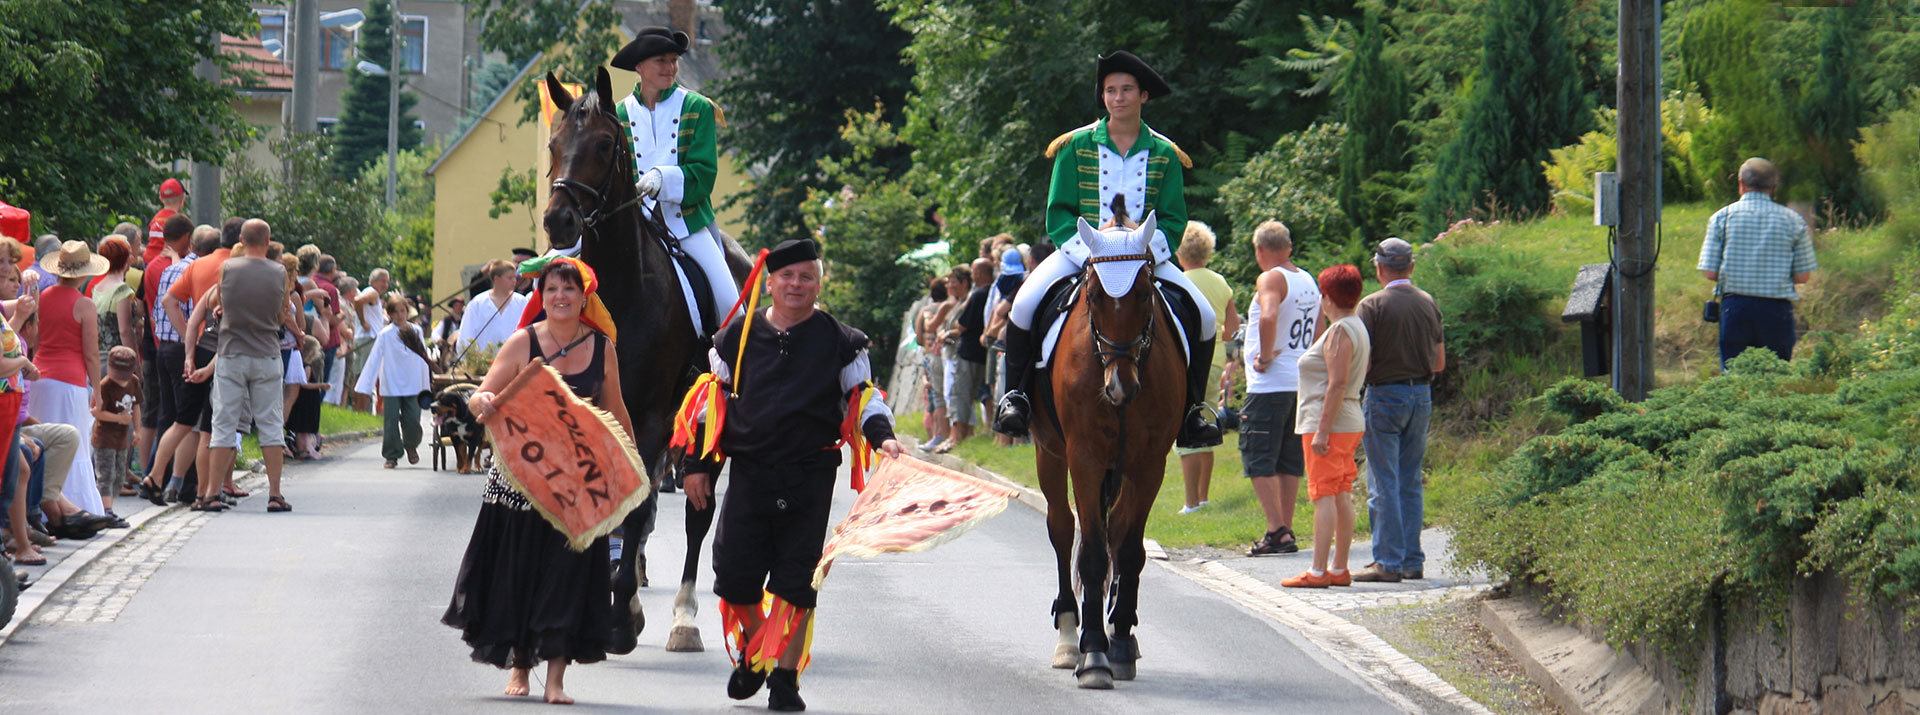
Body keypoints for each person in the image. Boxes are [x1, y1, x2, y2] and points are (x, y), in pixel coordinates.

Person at [680, 239, 903, 712]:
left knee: (796, 583)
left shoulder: (843, 341)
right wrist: (697, 467)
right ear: (769, 282)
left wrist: (882, 437)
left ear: (819, 283)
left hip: (810, 475)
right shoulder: (734, 338)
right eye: (786, 277)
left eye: (805, 277)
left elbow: (863, 398)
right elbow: (708, 409)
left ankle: (784, 679)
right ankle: (758, 651)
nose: (795, 285)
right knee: (734, 579)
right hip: (750, 474)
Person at [995, 50, 1219, 448]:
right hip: (1083, 253)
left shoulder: (1165, 153)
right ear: (1103, 96)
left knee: (1203, 314)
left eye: (1127, 90)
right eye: (1111, 90)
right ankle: (1016, 399)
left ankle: (1193, 412)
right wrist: (1092, 251)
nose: (1118, 97)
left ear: (1143, 96)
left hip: (1144, 259)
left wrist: (1145, 249)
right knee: (1023, 306)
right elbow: (1059, 214)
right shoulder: (1074, 145)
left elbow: (1172, 219)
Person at [445, 257, 634, 706]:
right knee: (519, 572)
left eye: (569, 289)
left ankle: (556, 679)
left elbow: (616, 411)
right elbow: (481, 396)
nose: (560, 297)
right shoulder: (522, 342)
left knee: (566, 577)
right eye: (552, 290)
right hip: (520, 483)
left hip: (575, 486)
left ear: (583, 297)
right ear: (540, 296)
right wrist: (485, 402)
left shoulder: (602, 347)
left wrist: (630, 466)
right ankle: (520, 667)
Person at [610, 26, 741, 327]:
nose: (670, 68)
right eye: (661, 61)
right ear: (640, 67)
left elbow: (704, 173)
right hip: (635, 225)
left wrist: (662, 178)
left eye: (674, 60)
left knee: (730, 306)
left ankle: (734, 367)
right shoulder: (618, 114)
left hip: (688, 223)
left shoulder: (697, 107)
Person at [1354, 237, 1445, 583]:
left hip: (1383, 395)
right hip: (1420, 394)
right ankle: (1412, 559)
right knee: (1410, 479)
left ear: (1379, 268)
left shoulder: (1372, 305)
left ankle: (1387, 561)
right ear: (1412, 266)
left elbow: (1365, 361)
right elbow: (1439, 362)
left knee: (1382, 481)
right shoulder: (1428, 302)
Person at [1281, 266, 1370, 589]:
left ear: (1328, 298)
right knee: (1341, 491)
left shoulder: (1339, 332)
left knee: (1323, 494)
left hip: (1329, 421)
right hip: (1348, 419)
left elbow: (1337, 383)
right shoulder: (1356, 326)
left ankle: (1319, 570)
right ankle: (1339, 567)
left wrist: (1321, 429)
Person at [201, 219, 293, 514]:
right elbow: (282, 314)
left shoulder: (227, 268)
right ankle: (275, 493)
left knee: (223, 423)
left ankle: (213, 493)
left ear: (241, 239)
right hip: (266, 352)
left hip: (232, 352)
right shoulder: (279, 272)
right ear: (268, 241)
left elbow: (220, 304)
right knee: (270, 423)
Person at [1697, 157, 1818, 369]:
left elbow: (1709, 272)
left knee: (1735, 379)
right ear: (1774, 187)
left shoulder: (1721, 217)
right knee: (1775, 378)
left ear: (1741, 183)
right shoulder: (1793, 220)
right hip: (1776, 311)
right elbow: (1803, 276)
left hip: (1735, 309)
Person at [1241, 221, 1318, 556]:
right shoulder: (1307, 280)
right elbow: (1319, 327)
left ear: (1260, 250)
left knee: (1258, 456)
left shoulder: (1271, 277)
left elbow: (1268, 316)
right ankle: (1285, 528)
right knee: (1288, 460)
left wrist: (1264, 356)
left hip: (1270, 384)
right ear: (1288, 246)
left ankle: (1276, 531)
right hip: (1299, 381)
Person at [137, 224, 216, 505]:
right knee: (193, 422)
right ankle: (183, 485)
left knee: (171, 417)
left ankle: (156, 476)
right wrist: (190, 343)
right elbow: (185, 311)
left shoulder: (171, 268)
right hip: (191, 348)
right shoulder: (204, 270)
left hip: (165, 348)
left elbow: (161, 309)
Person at [31, 240, 108, 518]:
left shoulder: (42, 296)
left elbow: (35, 341)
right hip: (70, 381)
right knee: (74, 447)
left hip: (41, 378)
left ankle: (40, 508)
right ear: (84, 272)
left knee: (42, 445)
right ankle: (76, 510)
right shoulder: (84, 305)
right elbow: (91, 355)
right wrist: (98, 390)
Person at [1173, 221, 1239, 513]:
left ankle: (1190, 503)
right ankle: (1204, 497)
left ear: (1179, 252)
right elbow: (1231, 329)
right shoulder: (1220, 281)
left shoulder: (1177, 280)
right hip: (1215, 360)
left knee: (1186, 428)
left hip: (1186, 361)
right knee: (1207, 425)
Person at [355, 295, 432, 469]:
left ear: (407, 311)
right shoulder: (385, 334)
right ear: (389, 314)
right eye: (395, 312)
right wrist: (366, 384)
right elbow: (374, 358)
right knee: (390, 420)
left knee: (412, 418)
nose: (399, 315)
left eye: (402, 311)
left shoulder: (416, 331)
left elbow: (422, 356)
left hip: (413, 382)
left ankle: (411, 445)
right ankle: (391, 455)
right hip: (391, 382)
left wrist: (425, 382)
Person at [937, 258, 991, 453]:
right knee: (977, 394)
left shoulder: (977, 295)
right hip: (982, 352)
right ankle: (971, 433)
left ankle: (955, 437)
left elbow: (962, 325)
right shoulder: (991, 292)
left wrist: (948, 333)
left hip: (967, 352)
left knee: (960, 394)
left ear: (979, 274)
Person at [89, 346, 141, 514]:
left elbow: (136, 406)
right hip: (104, 439)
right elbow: (95, 412)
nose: (120, 380)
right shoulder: (105, 385)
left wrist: (137, 430)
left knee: (119, 478)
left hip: (122, 439)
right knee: (106, 476)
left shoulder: (133, 382)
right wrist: (119, 418)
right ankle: (106, 510)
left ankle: (108, 507)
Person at [454, 259, 528, 364]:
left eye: (514, 278)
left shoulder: (522, 302)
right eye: (509, 278)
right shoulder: (477, 303)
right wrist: (472, 362)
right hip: (484, 364)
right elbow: (465, 336)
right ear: (496, 279)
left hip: (516, 364)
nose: (514, 281)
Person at [913, 276, 951, 451]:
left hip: (932, 356)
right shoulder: (952, 307)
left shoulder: (926, 311)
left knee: (937, 397)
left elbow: (920, 338)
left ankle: (940, 434)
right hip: (950, 353)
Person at [143, 178, 187, 264]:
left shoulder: (154, 219)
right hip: (167, 262)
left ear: (161, 199)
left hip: (149, 262)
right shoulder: (180, 221)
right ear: (182, 199)